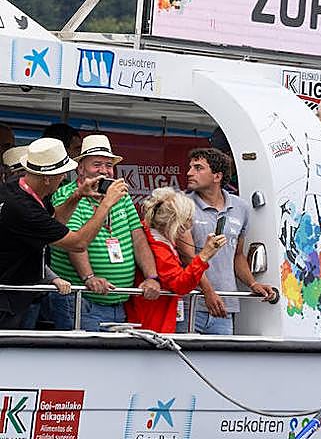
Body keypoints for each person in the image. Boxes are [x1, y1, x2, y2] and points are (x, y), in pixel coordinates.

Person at [0, 139, 128, 328]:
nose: (63, 179)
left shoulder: (20, 190)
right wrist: (106, 203)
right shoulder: (24, 208)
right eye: (61, 174)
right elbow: (78, 243)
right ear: (46, 178)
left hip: (16, 296)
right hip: (7, 299)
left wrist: (77, 195)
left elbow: (54, 220)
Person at [45, 135, 161, 331]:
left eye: (109, 165)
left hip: (118, 301)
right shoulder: (67, 196)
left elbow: (139, 239)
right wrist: (89, 277)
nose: (104, 171)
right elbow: (74, 243)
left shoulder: (121, 198)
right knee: (83, 359)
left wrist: (152, 277)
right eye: (97, 164)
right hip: (81, 299)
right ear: (80, 168)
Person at [180, 148, 278, 334]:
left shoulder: (241, 207)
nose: (189, 173)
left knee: (222, 363)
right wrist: (208, 292)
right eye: (190, 167)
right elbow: (188, 258)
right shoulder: (183, 205)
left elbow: (237, 255)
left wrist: (253, 284)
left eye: (198, 168)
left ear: (217, 176)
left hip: (226, 305)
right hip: (191, 304)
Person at [126, 188, 227, 333]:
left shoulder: (150, 235)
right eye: (186, 219)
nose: (189, 225)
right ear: (174, 222)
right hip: (151, 324)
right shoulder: (158, 248)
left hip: (149, 319)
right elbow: (180, 284)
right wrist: (204, 256)